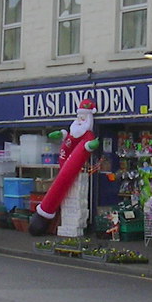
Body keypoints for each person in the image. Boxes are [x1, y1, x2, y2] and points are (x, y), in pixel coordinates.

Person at [29, 98, 100, 236]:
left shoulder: (88, 134)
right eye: (79, 116)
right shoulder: (76, 130)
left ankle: (43, 221)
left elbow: (85, 144)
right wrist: (61, 134)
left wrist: (90, 146)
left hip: (71, 170)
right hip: (66, 168)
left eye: (83, 116)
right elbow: (70, 140)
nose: (80, 119)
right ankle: (44, 222)